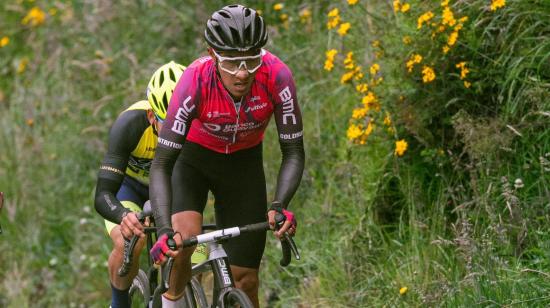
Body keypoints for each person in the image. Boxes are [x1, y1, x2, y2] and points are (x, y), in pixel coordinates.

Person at [148, 4, 305, 307]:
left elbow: (294, 151)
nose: (243, 72)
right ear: (212, 54)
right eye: (232, 62)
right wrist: (165, 229)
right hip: (191, 162)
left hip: (243, 166)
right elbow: (162, 164)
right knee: (184, 245)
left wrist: (280, 204)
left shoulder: (277, 76)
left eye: (251, 60)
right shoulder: (194, 81)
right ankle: (172, 300)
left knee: (246, 281)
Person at [94, 61, 186, 308]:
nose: (176, 132)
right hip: (130, 189)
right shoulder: (130, 125)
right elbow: (103, 194)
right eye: (167, 124)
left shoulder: (198, 124)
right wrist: (124, 215)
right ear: (151, 116)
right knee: (129, 243)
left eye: (183, 124)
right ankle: (119, 303)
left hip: (172, 189)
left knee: (193, 247)